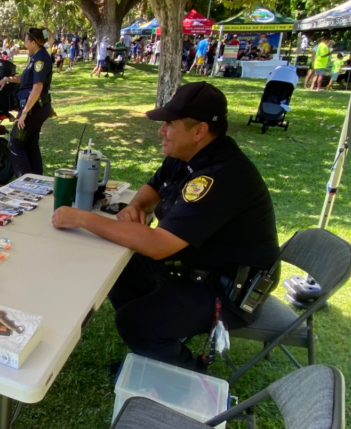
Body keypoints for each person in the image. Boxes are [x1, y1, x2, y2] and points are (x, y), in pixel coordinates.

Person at [51, 82, 279, 371]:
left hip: (226, 290)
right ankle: (153, 345)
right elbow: (152, 189)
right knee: (115, 264)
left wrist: (81, 218)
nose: (161, 131)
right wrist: (135, 207)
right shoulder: (188, 156)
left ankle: (186, 376)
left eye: (170, 124)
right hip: (192, 268)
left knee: (134, 322)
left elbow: (158, 246)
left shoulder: (220, 177)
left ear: (199, 131)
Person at [0, 27, 53, 177]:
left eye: (26, 40)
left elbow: (37, 88)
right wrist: (6, 79)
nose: (24, 43)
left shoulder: (40, 60)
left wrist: (24, 113)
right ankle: (37, 178)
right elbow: (26, 78)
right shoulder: (36, 57)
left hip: (33, 108)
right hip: (36, 107)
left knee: (15, 144)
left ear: (33, 42)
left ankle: (25, 182)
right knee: (30, 143)